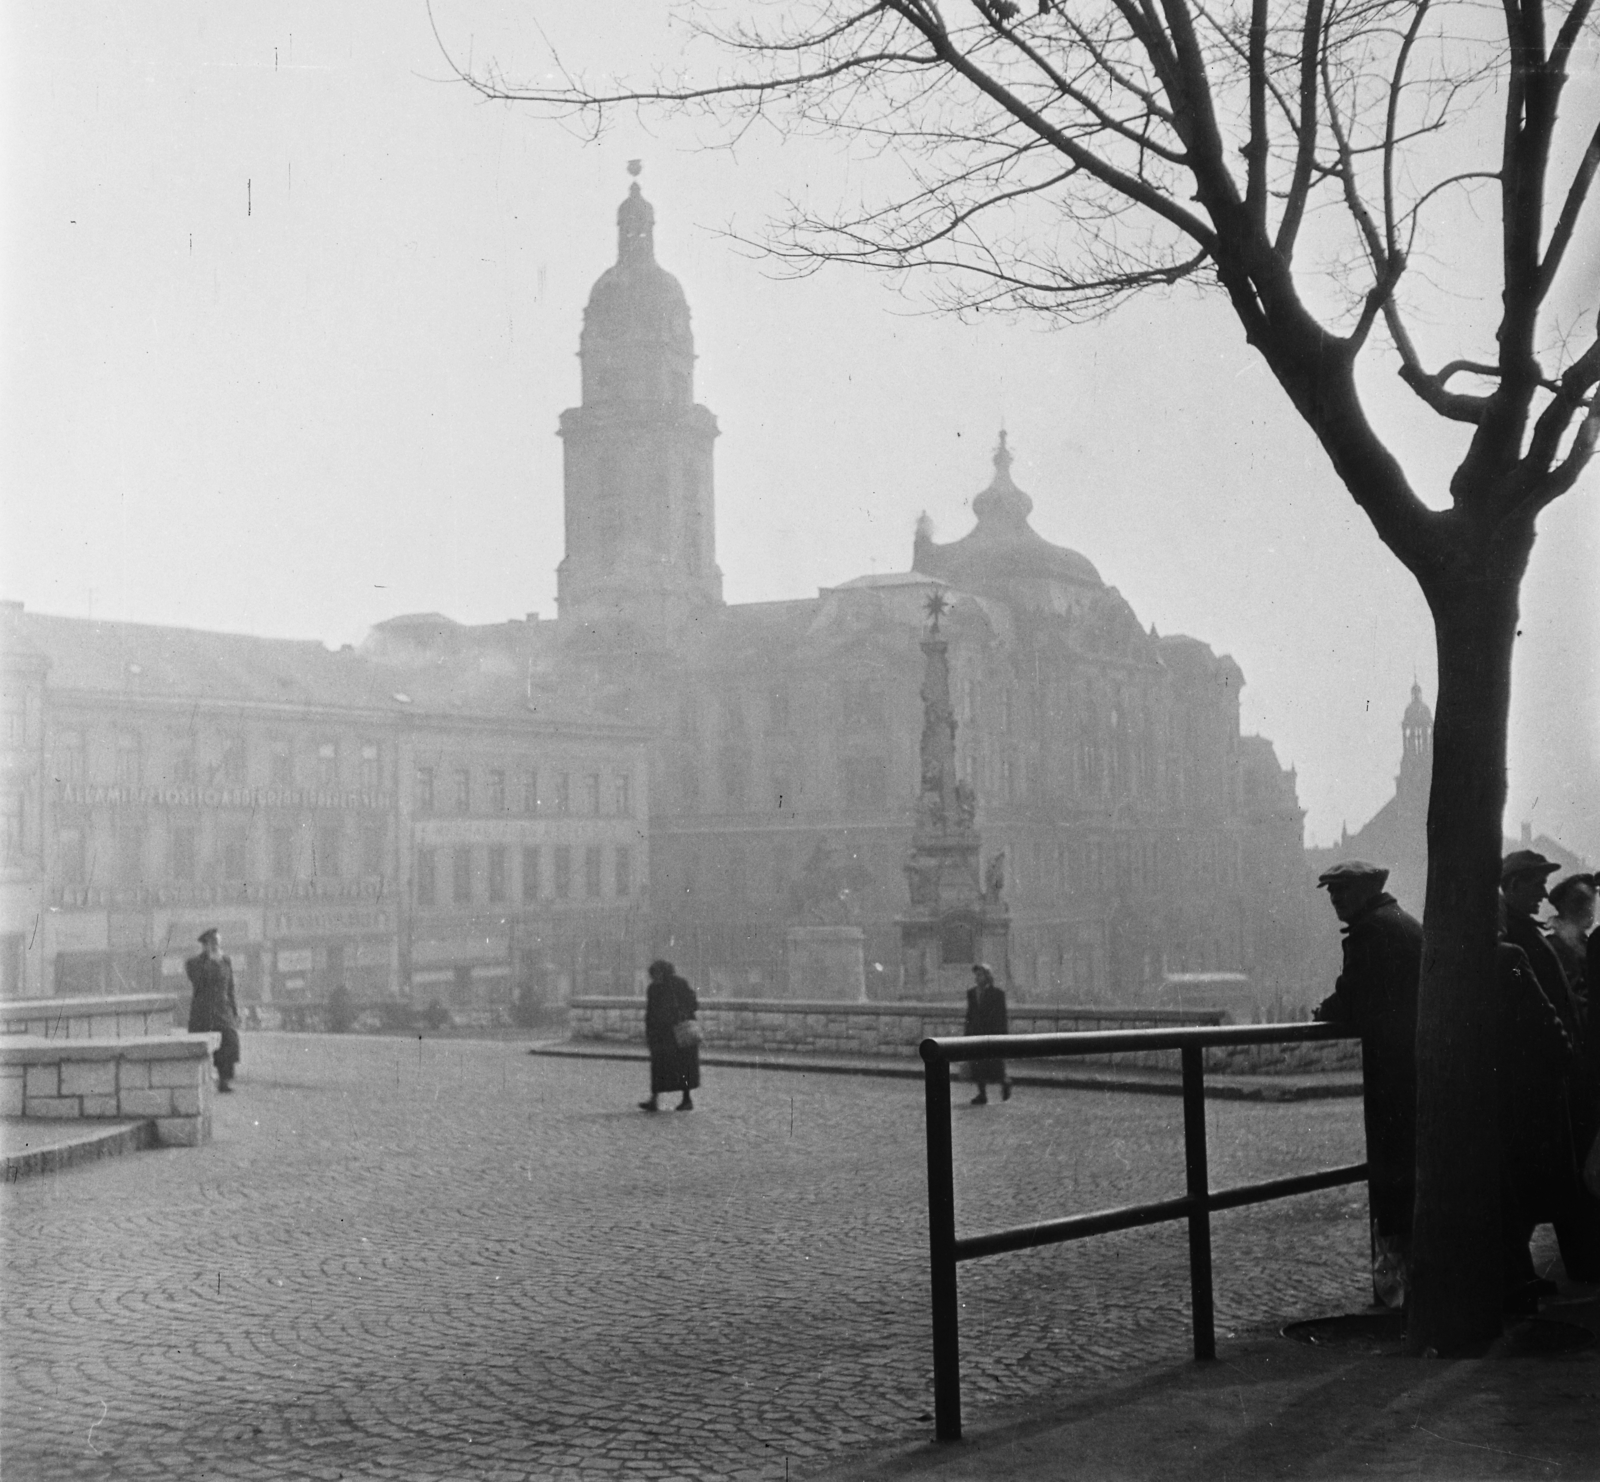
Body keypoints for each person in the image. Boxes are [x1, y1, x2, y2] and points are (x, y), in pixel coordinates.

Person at [1311, 861, 1421, 1308]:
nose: (1335, 899)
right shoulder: (1402, 922)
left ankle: (1397, 1288)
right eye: (1331, 892)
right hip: (1414, 1064)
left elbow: (1352, 994)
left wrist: (1325, 1011)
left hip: (1393, 1073)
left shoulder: (1369, 933)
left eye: (1341, 891)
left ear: (1364, 891)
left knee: (1392, 1171)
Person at [185, 927, 241, 1093]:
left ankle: (224, 1080)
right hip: (203, 1011)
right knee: (202, 1045)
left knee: (229, 1041)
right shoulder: (194, 963)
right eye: (213, 942)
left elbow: (230, 988)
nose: (217, 945)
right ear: (205, 944)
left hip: (223, 1010)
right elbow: (198, 980)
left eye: (218, 942)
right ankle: (200, 1081)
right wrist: (209, 960)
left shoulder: (226, 961)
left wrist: (235, 1012)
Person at [641, 959, 699, 1112]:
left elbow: (692, 1002)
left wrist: (680, 1013)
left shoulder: (676, 984)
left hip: (678, 1032)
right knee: (659, 1067)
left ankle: (686, 1100)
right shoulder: (654, 988)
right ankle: (655, 1099)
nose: (655, 977)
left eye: (657, 974)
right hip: (661, 1034)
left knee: (683, 1066)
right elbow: (651, 1011)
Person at [964, 962, 1011, 1105]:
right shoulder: (971, 993)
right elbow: (969, 1015)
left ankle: (1005, 1083)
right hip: (975, 1035)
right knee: (977, 1066)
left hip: (992, 1035)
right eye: (976, 975)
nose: (977, 978)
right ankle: (982, 1094)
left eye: (980, 975)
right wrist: (966, 1034)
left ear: (987, 976)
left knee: (995, 1066)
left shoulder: (998, 994)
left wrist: (1002, 1037)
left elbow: (1002, 1017)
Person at [1547, 873, 1595, 1000]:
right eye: (1579, 900)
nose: (1587, 907)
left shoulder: (1589, 945)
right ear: (1562, 906)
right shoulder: (1550, 947)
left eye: (1591, 901)